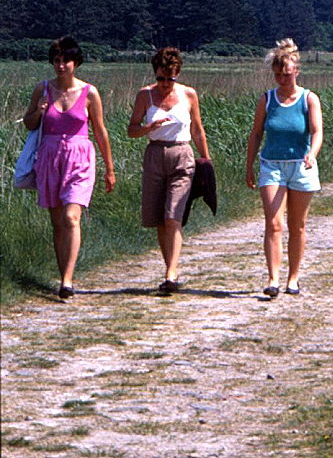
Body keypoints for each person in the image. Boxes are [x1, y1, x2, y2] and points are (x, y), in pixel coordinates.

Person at [22, 36, 116, 300]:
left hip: (79, 159)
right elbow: (28, 124)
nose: (60, 66)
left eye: (65, 61)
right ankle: (63, 273)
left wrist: (110, 169)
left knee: (71, 217)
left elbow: (100, 131)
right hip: (49, 158)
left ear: (76, 63)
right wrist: (39, 112)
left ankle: (67, 280)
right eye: (56, 60)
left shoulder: (90, 92)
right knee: (56, 223)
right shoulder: (42, 89)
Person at [127, 47, 211, 293]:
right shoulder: (145, 96)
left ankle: (171, 274)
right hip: (154, 154)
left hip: (182, 155)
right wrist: (148, 127)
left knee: (173, 214)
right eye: (160, 78)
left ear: (178, 74)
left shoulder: (188, 94)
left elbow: (197, 129)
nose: (165, 84)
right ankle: (170, 268)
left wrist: (205, 159)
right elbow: (131, 130)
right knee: (159, 219)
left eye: (170, 78)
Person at [245, 38, 323, 298]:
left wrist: (312, 154)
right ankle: (273, 278)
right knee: (274, 223)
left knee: (297, 224)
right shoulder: (266, 100)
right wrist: (249, 166)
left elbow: (316, 131)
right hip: (272, 166)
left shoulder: (309, 99)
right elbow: (256, 134)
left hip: (301, 166)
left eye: (287, 75)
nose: (282, 79)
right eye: (278, 75)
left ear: (296, 72)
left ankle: (294, 278)